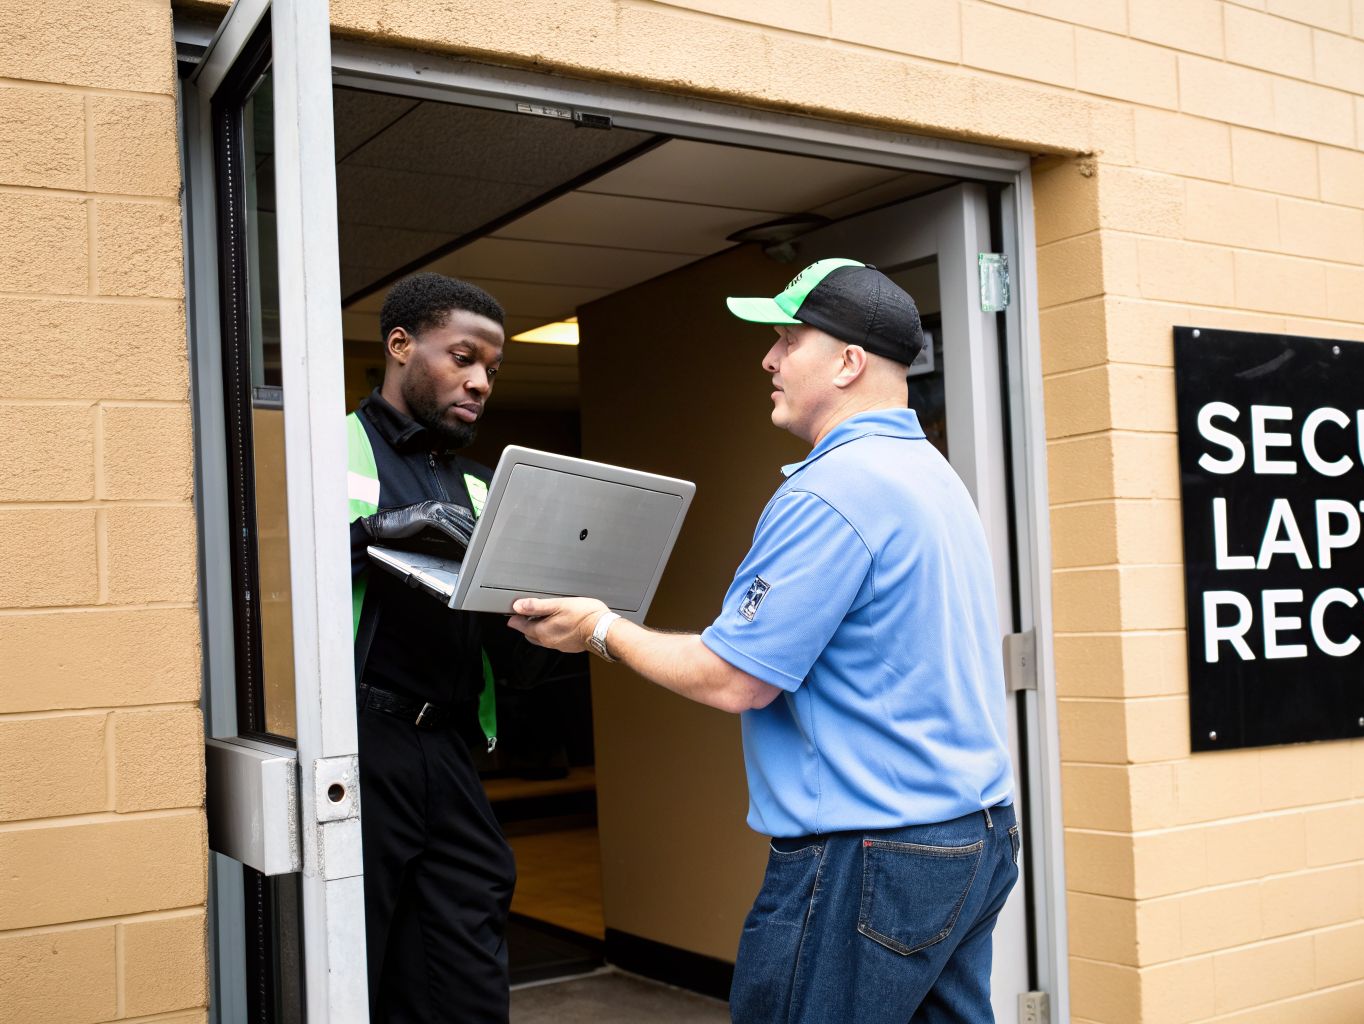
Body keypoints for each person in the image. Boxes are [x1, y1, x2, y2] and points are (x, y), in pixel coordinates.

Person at [508, 258, 1020, 1024]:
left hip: (868, 856)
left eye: (788, 337)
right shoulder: (931, 475)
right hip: (972, 838)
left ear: (848, 362)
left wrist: (599, 629)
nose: (768, 358)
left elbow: (736, 679)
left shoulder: (831, 491)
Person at [347, 272, 544, 1022]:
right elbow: (270, 584)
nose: (479, 381)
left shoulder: (485, 486)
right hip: (363, 744)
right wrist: (369, 535)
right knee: (360, 949)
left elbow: (512, 657)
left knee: (465, 948)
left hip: (451, 747)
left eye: (491, 369)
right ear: (400, 345)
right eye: (462, 358)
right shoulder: (328, 448)